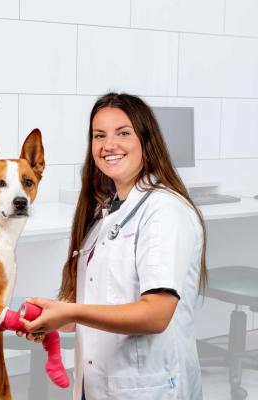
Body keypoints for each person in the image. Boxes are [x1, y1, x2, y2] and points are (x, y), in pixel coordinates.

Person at [19, 93, 207, 400]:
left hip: (147, 387)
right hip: (98, 384)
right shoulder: (106, 212)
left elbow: (156, 314)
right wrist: (52, 320)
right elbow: (103, 301)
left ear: (147, 140)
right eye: (99, 135)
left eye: (123, 133)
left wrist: (69, 311)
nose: (109, 145)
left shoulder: (164, 211)